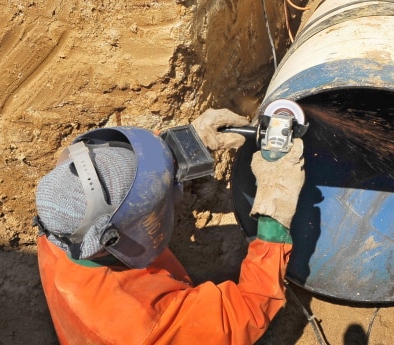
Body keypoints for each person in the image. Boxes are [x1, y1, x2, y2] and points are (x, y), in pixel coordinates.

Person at [34, 108, 306, 345]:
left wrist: (184, 145)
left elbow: (117, 179)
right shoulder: (150, 326)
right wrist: (274, 217)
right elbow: (250, 308)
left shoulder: (61, 220)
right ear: (125, 232)